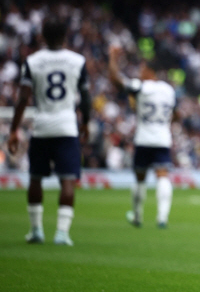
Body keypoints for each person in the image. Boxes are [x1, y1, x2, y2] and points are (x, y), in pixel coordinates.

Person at [8, 18, 90, 246]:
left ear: (42, 35)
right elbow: (85, 97)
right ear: (66, 36)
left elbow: (23, 97)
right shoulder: (77, 61)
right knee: (68, 181)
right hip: (67, 126)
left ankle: (36, 230)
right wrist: (87, 122)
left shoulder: (33, 61)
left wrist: (14, 129)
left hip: (42, 125)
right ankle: (62, 233)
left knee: (35, 178)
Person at [108, 45, 177, 228]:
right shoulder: (169, 90)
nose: (140, 72)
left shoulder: (141, 87)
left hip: (144, 138)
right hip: (162, 137)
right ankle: (162, 217)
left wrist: (113, 58)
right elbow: (175, 114)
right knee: (163, 176)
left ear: (149, 71)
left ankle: (138, 216)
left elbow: (117, 81)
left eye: (142, 69)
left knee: (140, 178)